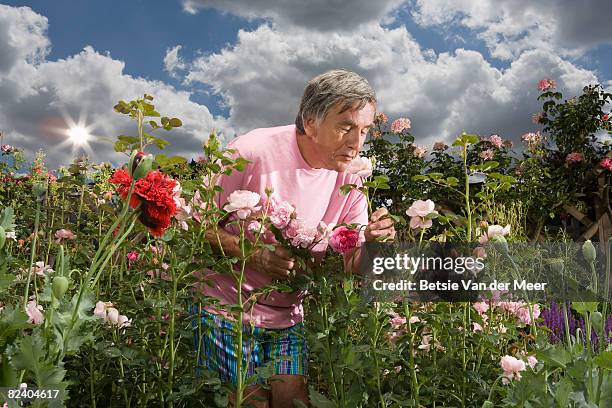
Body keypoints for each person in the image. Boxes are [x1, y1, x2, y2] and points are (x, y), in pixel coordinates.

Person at [193, 69, 396, 407]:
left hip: (288, 313)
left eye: (364, 131)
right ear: (310, 122)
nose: (356, 142)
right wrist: (254, 254)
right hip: (226, 308)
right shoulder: (251, 151)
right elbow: (198, 224)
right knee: (250, 403)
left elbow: (354, 265)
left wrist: (374, 242)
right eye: (345, 126)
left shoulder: (352, 179)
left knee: (295, 402)